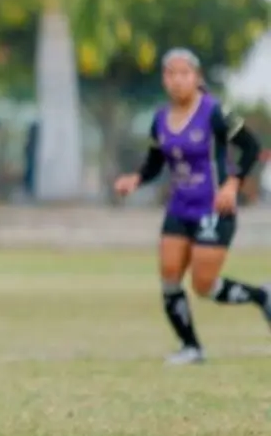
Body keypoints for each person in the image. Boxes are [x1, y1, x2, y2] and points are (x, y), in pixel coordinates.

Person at [114, 48, 269, 365]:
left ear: (196, 77)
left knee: (203, 285)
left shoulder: (215, 112)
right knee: (169, 275)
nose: (177, 80)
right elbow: (155, 162)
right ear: (164, 79)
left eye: (184, 73)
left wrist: (232, 184)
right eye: (171, 73)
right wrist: (136, 179)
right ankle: (191, 347)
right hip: (179, 207)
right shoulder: (159, 119)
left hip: (214, 209)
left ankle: (262, 296)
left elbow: (251, 146)